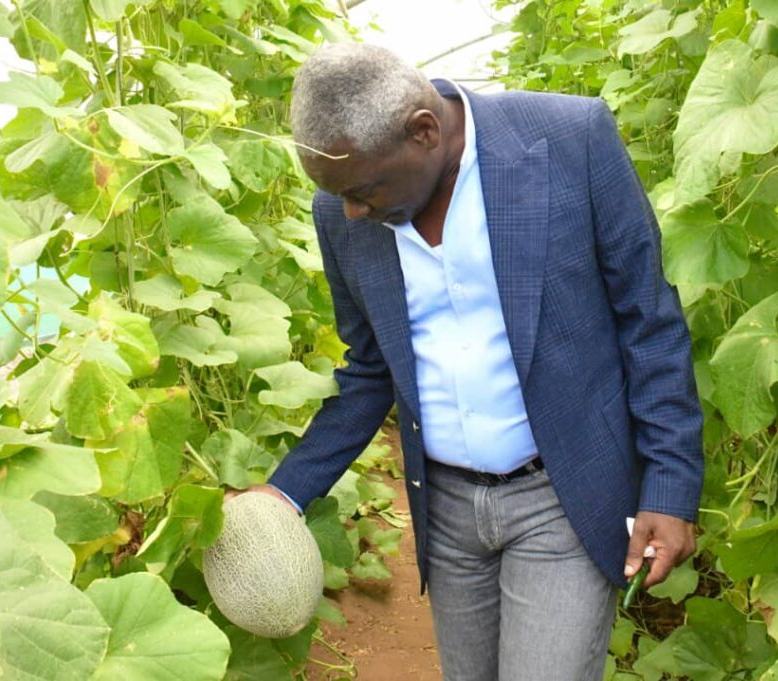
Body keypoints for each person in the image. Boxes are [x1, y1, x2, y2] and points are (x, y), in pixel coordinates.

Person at [248, 43, 704, 680]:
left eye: (364, 190)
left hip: (561, 494)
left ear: (424, 131)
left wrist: (670, 485)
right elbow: (371, 369)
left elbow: (649, 322)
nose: (351, 211)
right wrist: (284, 492)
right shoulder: (342, 209)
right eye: (338, 196)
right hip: (448, 511)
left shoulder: (571, 138)